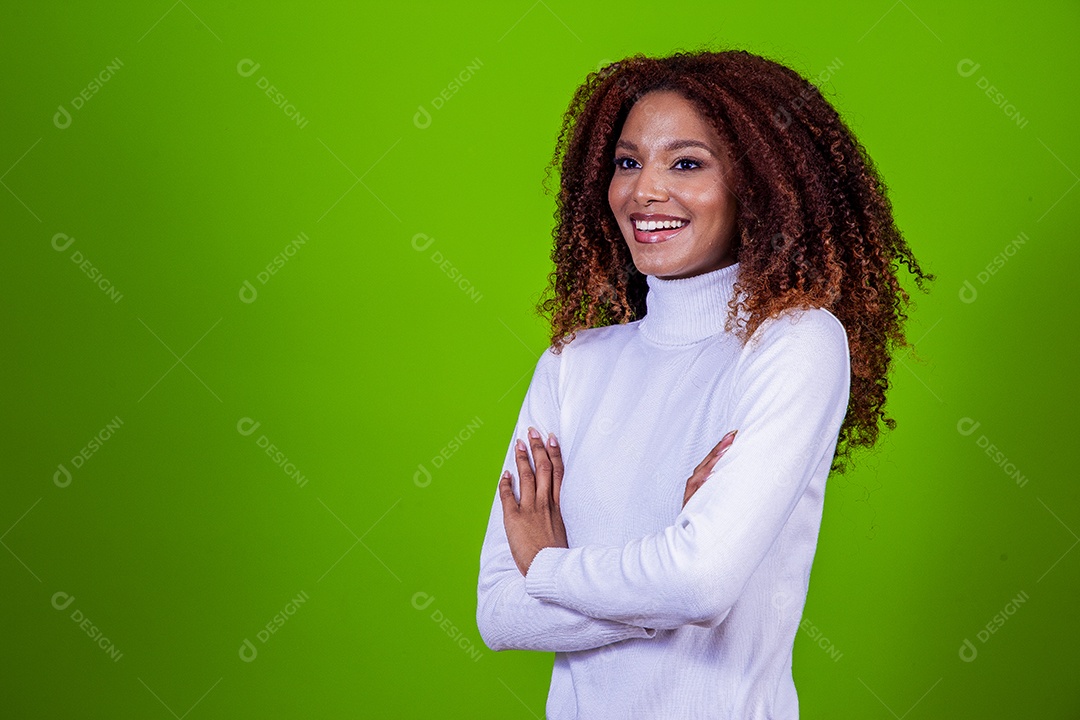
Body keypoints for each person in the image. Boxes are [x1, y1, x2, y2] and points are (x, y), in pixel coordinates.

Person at [475, 48, 933, 719]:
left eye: (686, 163)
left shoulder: (796, 344)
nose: (644, 191)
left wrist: (549, 567)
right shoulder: (574, 364)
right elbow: (499, 613)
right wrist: (664, 571)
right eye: (627, 162)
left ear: (760, 182)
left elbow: (700, 582)